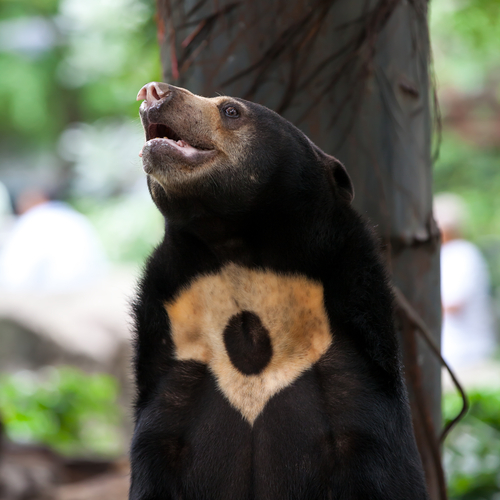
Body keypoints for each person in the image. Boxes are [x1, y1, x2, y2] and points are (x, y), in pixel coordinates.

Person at [0, 187, 106, 293]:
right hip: (85, 286)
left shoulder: (34, 219)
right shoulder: (75, 216)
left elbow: (16, 271)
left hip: (48, 291)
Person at [434, 193, 496, 369]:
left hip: (466, 353)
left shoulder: (463, 254)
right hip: (451, 352)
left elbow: (454, 303)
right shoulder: (444, 254)